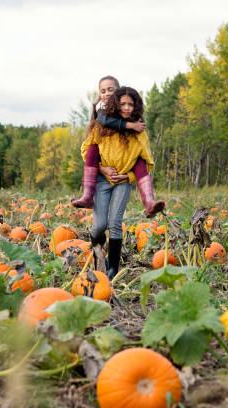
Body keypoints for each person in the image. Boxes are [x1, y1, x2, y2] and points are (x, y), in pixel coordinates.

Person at [81, 86, 155, 279]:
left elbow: (146, 162)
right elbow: (86, 151)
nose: (127, 108)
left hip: (123, 181)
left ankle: (113, 268)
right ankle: (99, 259)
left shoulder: (139, 131)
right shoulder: (102, 127)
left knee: (115, 223)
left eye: (131, 104)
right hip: (102, 180)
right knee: (98, 225)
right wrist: (102, 169)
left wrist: (128, 177)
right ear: (116, 104)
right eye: (123, 104)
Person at [72, 75, 165, 218]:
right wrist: (102, 168)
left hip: (126, 168)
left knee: (140, 161)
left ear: (119, 92)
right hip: (104, 171)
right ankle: (88, 195)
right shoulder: (101, 110)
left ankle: (149, 203)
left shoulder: (129, 109)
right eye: (103, 91)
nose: (107, 93)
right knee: (92, 149)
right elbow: (103, 120)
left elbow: (147, 158)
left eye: (110, 90)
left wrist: (129, 175)